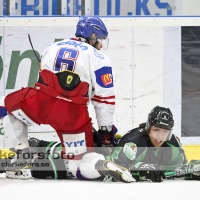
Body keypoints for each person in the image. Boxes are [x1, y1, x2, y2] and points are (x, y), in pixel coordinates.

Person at [0, 16, 135, 183]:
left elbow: (42, 81)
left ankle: (22, 157)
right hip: (72, 116)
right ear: (92, 37)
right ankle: (101, 165)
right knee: (76, 165)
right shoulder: (100, 58)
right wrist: (106, 136)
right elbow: (104, 101)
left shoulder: (51, 47)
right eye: (100, 40)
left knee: (4, 104)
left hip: (41, 104)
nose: (101, 45)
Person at [106, 106, 200, 182]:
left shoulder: (173, 146)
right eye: (156, 130)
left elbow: (180, 169)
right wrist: (141, 169)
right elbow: (111, 169)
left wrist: (192, 171)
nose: (160, 136)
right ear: (148, 127)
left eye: (165, 131)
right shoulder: (134, 144)